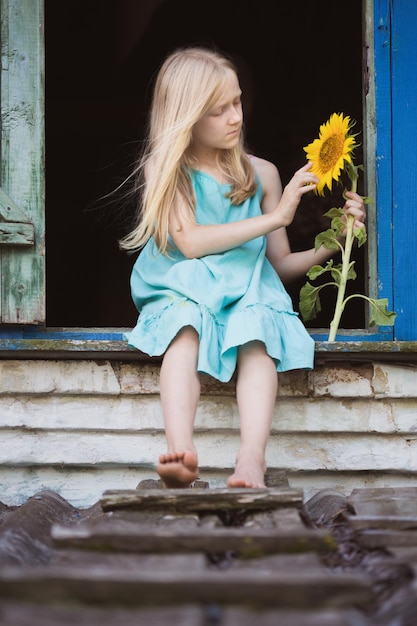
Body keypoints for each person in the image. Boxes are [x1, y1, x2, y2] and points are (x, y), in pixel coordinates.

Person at [119, 46, 366, 489]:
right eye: (219, 110)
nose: (235, 117)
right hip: (185, 286)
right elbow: (190, 242)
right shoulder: (166, 169)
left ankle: (251, 459)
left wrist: (336, 242)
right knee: (185, 328)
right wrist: (277, 216)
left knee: (258, 334)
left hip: (247, 289)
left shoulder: (263, 175)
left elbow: (281, 265)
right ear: (187, 117)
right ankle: (182, 451)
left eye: (237, 102)